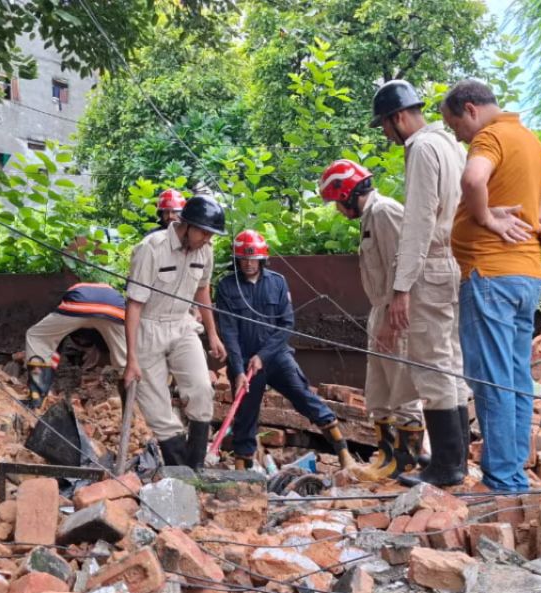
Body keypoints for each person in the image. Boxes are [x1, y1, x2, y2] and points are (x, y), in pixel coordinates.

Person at [441, 79, 541, 493]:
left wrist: (487, 219)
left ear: (471, 109)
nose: (458, 135)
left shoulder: (491, 136)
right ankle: (511, 475)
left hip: (490, 275)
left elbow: (473, 180)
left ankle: (503, 482)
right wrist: (534, 222)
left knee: (492, 379)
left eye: (455, 124)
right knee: (514, 378)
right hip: (525, 277)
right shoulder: (529, 140)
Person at [370, 79, 471, 488]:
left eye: (384, 126)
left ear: (398, 118)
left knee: (430, 366)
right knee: (452, 362)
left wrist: (401, 288)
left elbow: (417, 223)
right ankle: (457, 460)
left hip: (430, 263)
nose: (385, 134)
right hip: (455, 260)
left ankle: (446, 465)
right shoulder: (451, 144)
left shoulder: (422, 148)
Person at [214, 230, 354, 470]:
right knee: (245, 414)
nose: (248, 263)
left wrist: (263, 356)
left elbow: (286, 325)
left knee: (304, 397)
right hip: (245, 361)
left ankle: (344, 456)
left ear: (262, 258)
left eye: (253, 258)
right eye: (243, 259)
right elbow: (229, 332)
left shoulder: (277, 282)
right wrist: (237, 370)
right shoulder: (226, 286)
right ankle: (242, 472)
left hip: (277, 356)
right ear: (236, 260)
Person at [320, 159, 424, 479]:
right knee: (379, 388)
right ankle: (386, 455)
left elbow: (404, 264)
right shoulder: (369, 218)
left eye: (337, 201)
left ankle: (406, 461)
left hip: (397, 309)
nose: (337, 209)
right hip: (380, 307)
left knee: (402, 385)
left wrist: (394, 312)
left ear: (349, 194)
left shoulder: (384, 212)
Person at [124, 195, 228, 469]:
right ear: (187, 224)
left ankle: (195, 470)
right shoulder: (151, 249)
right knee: (159, 411)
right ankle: (180, 474)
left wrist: (213, 334)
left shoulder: (205, 250)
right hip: (148, 326)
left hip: (182, 324)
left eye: (211, 234)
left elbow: (203, 290)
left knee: (202, 391)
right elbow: (134, 305)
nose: (207, 239)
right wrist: (131, 359)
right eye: (204, 232)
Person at [24, 282, 128, 409]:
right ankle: (129, 407)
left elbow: (54, 348)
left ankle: (37, 398)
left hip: (77, 305)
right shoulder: (110, 291)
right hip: (115, 310)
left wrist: (48, 376)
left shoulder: (73, 291)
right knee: (127, 364)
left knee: (38, 337)